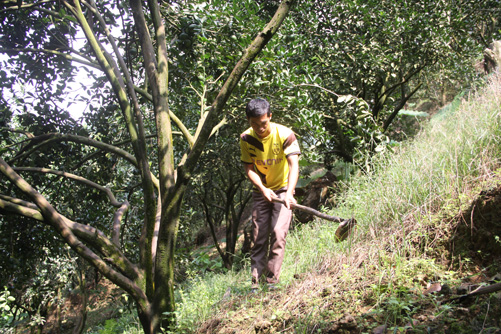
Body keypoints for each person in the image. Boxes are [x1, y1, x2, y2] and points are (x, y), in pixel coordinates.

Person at [239, 98, 300, 290]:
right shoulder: (246, 138)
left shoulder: (285, 134)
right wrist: (263, 189)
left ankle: (272, 281)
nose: (260, 128)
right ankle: (255, 283)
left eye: (263, 123)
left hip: (283, 189)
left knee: (278, 232)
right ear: (249, 120)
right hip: (261, 191)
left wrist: (289, 193)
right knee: (258, 236)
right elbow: (249, 168)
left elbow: (294, 165)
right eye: (254, 124)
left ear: (270, 117)